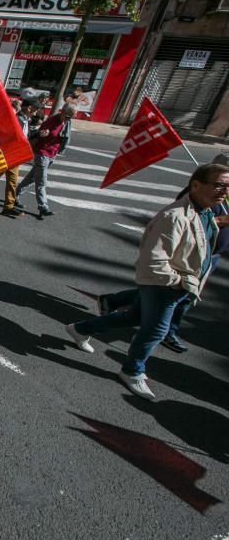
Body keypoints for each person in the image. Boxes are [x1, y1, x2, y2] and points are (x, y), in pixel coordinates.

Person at [65, 163, 229, 400]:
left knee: (134, 316)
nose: (224, 191)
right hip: (165, 286)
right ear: (195, 185)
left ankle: (79, 329)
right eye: (219, 185)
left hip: (179, 284)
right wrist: (177, 282)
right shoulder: (174, 217)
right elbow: (153, 260)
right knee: (156, 331)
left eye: (227, 186)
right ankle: (132, 370)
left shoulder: (207, 213)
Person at [15, 102, 76, 219]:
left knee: (32, 178)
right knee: (41, 182)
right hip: (42, 153)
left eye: (72, 117)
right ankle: (43, 207)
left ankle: (15, 194)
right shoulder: (52, 121)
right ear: (62, 111)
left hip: (52, 154)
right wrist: (43, 134)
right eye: (68, 116)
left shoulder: (66, 122)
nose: (69, 119)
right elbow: (38, 134)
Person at [2, 100, 39, 218]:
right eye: (36, 108)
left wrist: (37, 134)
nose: (37, 111)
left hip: (15, 156)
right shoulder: (17, 119)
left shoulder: (26, 120)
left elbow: (24, 136)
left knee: (12, 181)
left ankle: (8, 206)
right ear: (29, 108)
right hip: (8, 154)